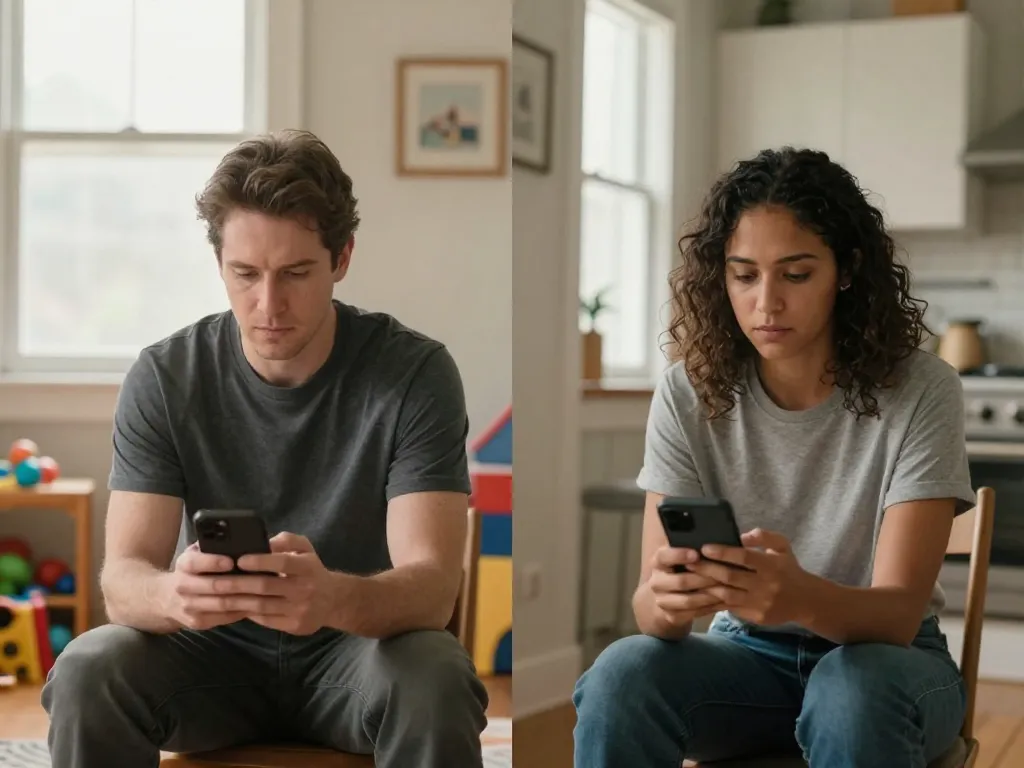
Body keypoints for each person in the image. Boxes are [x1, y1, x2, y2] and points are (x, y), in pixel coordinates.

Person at [41, 129, 489, 768]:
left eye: (297, 273)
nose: (268, 305)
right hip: (208, 658)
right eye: (244, 274)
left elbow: (433, 590)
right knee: (88, 667)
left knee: (438, 673)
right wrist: (177, 596)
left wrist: (331, 597)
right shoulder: (165, 376)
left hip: (355, 651)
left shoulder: (414, 373)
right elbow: (123, 581)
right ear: (218, 263)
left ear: (343, 257)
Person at [572, 147, 975, 768]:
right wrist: (670, 603)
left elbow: (896, 615)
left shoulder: (924, 389)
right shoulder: (688, 391)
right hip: (745, 657)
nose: (766, 303)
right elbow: (649, 609)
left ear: (846, 269)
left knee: (850, 692)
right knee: (620, 674)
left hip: (889, 664)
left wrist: (800, 598)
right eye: (743, 274)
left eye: (795, 274)